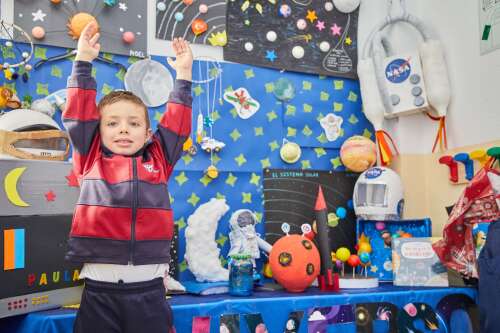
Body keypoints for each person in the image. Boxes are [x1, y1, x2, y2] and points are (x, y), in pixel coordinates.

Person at [62, 21, 193, 333]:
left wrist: (184, 76)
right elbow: (78, 113)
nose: (123, 129)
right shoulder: (90, 156)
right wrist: (82, 63)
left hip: (149, 293)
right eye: (113, 123)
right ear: (98, 129)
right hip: (99, 294)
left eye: (133, 123)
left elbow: (177, 125)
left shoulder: (158, 159)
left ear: (147, 133)